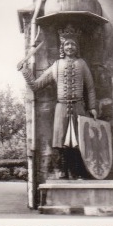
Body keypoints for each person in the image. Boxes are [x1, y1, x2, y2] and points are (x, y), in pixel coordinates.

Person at [18, 24, 97, 179]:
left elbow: (91, 88)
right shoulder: (56, 66)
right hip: (61, 108)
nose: (70, 47)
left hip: (79, 107)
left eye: (73, 44)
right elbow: (35, 85)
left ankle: (78, 172)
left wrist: (93, 107)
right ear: (62, 46)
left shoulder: (82, 64)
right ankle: (62, 171)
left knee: (79, 141)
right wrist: (24, 71)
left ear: (77, 47)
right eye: (67, 44)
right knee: (61, 141)